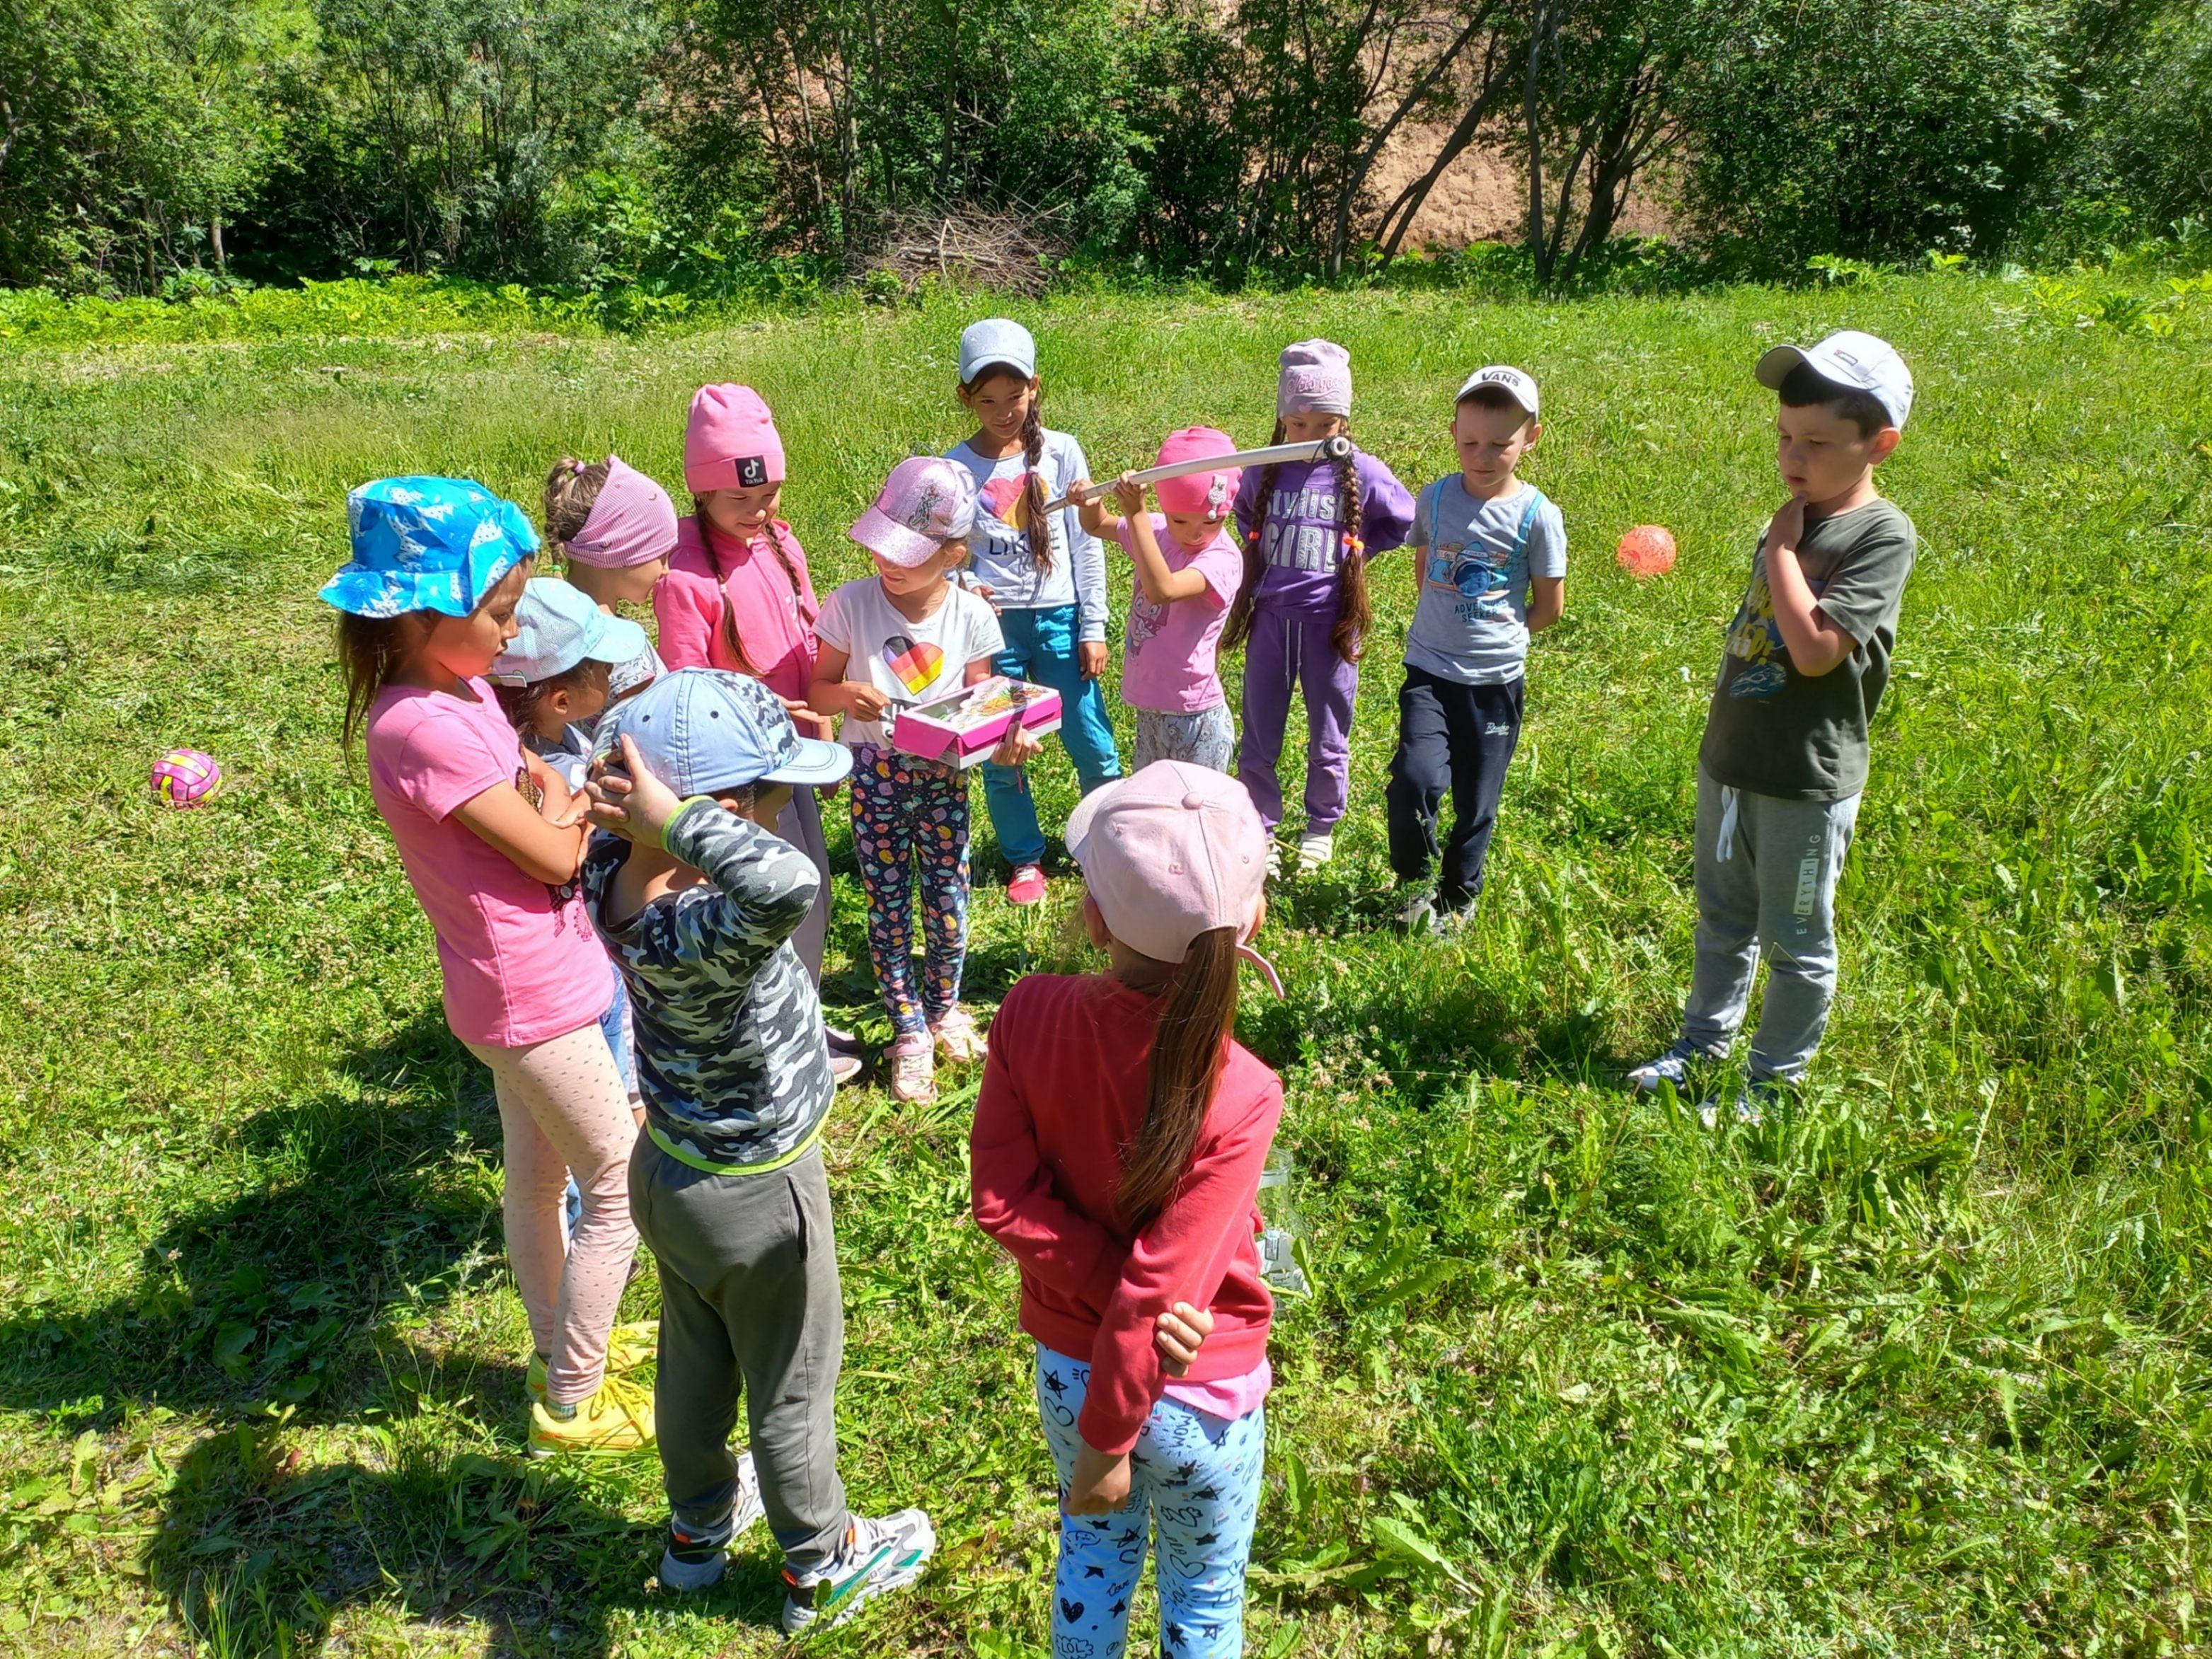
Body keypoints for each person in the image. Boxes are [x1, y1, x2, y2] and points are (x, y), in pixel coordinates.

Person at [580, 670, 935, 1631]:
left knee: (694, 1362)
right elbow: (788, 883)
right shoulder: (715, 919)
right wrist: (686, 819)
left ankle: (696, 1534)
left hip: (670, 1169)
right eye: (772, 799)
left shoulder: (613, 875)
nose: (785, 818)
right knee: (791, 1384)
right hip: (758, 1192)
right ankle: (822, 1563)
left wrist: (658, 823)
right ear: (715, 813)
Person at [321, 478, 652, 1457]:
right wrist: (588, 807)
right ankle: (572, 1399)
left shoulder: (456, 689)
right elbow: (553, 848)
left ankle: (563, 1346)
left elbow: (535, 779)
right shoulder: (413, 726)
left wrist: (558, 796)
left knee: (538, 1180)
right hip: (527, 994)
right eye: (499, 611)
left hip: (544, 972)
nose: (512, 635)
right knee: (622, 1181)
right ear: (424, 617)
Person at [972, 760, 1285, 1659]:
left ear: (1096, 915)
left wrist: (1104, 1437)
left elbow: (1000, 1197)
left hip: (1074, 1379)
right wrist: (1134, 1339)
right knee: (1206, 1597)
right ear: (1251, 920)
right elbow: (1162, 1290)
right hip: (1199, 1389)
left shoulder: (1028, 1011)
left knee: (1093, 1561)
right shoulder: (1246, 1088)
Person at [1628, 330, 1918, 1121]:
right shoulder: (1790, 517)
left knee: (1795, 938)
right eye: (1786, 437)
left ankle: (1772, 1082)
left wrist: (1785, 551)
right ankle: (1700, 1046)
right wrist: (1784, 541)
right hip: (1733, 758)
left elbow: (1819, 650)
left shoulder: (1880, 535)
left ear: (1879, 444)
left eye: (1819, 442)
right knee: (1722, 918)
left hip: (1805, 776)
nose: (1794, 456)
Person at [810, 456, 1036, 1104]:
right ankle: (906, 1024)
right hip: (875, 776)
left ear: (955, 552)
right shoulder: (851, 603)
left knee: (948, 901)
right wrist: (847, 692)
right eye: (882, 545)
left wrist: (1005, 741)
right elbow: (818, 691)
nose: (888, 562)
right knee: (886, 903)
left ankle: (944, 1007)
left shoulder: (971, 616)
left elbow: (981, 707)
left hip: (944, 778)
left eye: (907, 551)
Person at [654, 386, 859, 1081]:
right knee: (765, 900)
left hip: (795, 751)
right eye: (743, 499)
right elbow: (686, 691)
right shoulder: (684, 577)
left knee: (814, 888)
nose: (761, 509)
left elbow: (809, 642)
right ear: (703, 493)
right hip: (742, 773)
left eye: (769, 492)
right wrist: (721, 794)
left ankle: (798, 1013)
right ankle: (771, 1037)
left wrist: (826, 731)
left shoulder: (779, 540)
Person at [946, 318, 1124, 906]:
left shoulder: (1064, 453)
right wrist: (966, 583)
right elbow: (946, 551)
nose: (1003, 411)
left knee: (1090, 737)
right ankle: (1025, 858)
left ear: (1035, 388)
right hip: (993, 632)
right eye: (988, 400)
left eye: (1015, 397)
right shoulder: (954, 468)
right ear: (965, 397)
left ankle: (1111, 840)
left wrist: (1092, 627)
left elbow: (1087, 544)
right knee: (1002, 745)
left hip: (1060, 619)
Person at [1223, 338, 1415, 873]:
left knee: (1329, 732)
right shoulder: (1264, 469)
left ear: (1343, 423)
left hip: (1331, 626)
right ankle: (1260, 824)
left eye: (1323, 425)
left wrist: (1357, 553)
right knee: (1260, 730)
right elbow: (1243, 514)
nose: (1308, 437)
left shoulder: (1362, 471)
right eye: (1298, 424)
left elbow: (1405, 519)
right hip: (1270, 622)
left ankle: (1321, 825)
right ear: (1283, 418)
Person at [1386, 366, 1567, 934]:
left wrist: (1499, 639)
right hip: (1429, 672)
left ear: (1531, 439)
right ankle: (1414, 886)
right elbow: (1424, 571)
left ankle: (1459, 894)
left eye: (1500, 444)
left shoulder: (1539, 515)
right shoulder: (1436, 497)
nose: (1482, 456)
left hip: (1495, 683)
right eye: (1469, 443)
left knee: (1477, 798)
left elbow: (1549, 605)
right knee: (1416, 778)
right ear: (1453, 433)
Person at [1075, 427, 1247, 772]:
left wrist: (1136, 513)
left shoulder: (1223, 558)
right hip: (1152, 710)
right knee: (1154, 812)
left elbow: (1162, 590)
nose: (1195, 532)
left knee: (1195, 816)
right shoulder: (1155, 532)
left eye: (1213, 521)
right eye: (1179, 519)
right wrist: (1091, 501)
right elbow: (1099, 525)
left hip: (1196, 717)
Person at [491, 577, 652, 790]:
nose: (611, 671)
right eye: (605, 668)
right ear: (562, 701)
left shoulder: (557, 732)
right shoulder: (554, 782)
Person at [542, 453, 674, 711]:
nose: (666, 569)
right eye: (660, 554)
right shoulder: (625, 652)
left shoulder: (541, 620)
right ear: (619, 553)